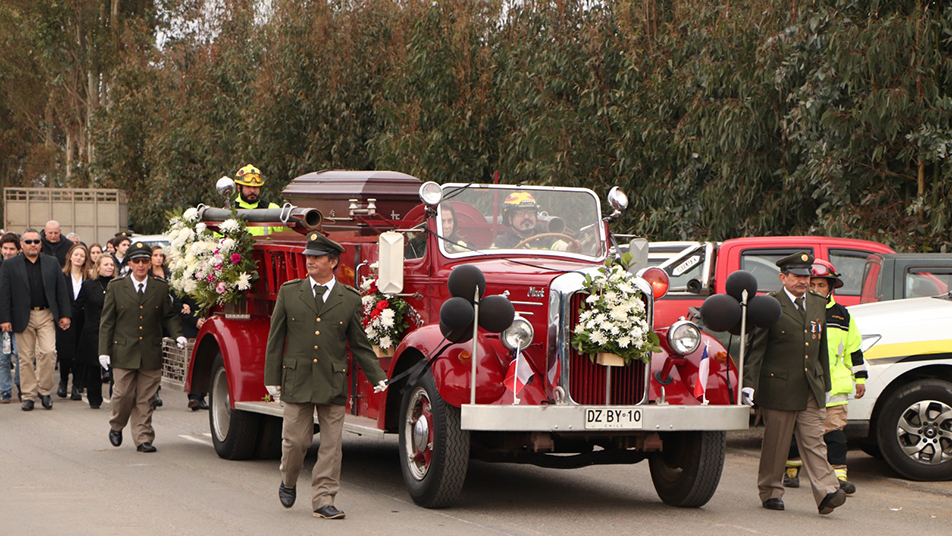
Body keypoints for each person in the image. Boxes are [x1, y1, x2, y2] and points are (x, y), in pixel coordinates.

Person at [264, 232, 388, 520]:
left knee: (331, 447)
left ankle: (323, 500)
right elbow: (275, 339)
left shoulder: (349, 299)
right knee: (295, 442)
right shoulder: (289, 292)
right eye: (308, 257)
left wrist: (376, 375)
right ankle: (289, 480)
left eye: (317, 257)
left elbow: (358, 343)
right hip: (297, 379)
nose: (310, 261)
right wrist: (272, 378)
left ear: (333, 262)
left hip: (332, 380)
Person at [742, 252, 847, 515]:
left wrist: (825, 382)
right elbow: (757, 349)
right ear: (783, 277)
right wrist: (749, 384)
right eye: (798, 276)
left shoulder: (817, 302)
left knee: (814, 440)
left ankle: (827, 492)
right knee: (776, 444)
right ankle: (770, 490)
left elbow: (820, 345)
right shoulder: (770, 304)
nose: (803, 281)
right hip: (779, 385)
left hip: (810, 384)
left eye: (806, 276)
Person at [784, 259, 868, 494]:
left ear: (830, 287)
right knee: (796, 431)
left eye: (822, 285)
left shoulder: (842, 315)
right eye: (813, 285)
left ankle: (838, 476)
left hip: (835, 387)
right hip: (804, 382)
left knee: (834, 434)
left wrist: (859, 379)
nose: (817, 289)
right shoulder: (798, 311)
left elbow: (853, 348)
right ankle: (791, 471)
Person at [99, 241, 185, 452]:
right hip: (124, 350)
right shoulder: (117, 287)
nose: (140, 265)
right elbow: (107, 321)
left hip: (150, 350)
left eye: (145, 261)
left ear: (149, 264)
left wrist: (178, 335)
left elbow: (169, 315)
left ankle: (143, 438)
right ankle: (117, 425)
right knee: (123, 395)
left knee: (145, 398)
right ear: (129, 263)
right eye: (136, 261)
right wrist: (103, 351)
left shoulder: (160, 287)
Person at [0, 229, 71, 411]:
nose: (33, 245)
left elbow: (61, 290)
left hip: (47, 314)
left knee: (48, 352)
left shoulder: (51, 262)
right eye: (29, 242)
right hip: (22, 316)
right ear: (21, 245)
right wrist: (5, 318)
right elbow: (4, 293)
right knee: (25, 358)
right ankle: (29, 395)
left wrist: (64, 315)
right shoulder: (10, 265)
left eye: (36, 242)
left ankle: (45, 391)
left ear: (41, 244)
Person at [77, 255, 115, 409]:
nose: (110, 267)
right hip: (93, 329)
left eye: (112, 264)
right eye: (106, 264)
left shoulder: (118, 285)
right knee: (94, 366)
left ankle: (116, 397)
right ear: (98, 267)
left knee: (114, 366)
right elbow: (78, 305)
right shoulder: (88, 285)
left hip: (113, 330)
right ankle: (94, 398)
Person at [56, 243, 90, 400]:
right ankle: (63, 381)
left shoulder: (89, 278)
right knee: (66, 352)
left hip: (83, 319)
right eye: (76, 254)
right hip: (65, 319)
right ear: (70, 256)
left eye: (82, 256)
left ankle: (77, 385)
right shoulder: (62, 276)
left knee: (81, 352)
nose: (79, 258)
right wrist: (65, 315)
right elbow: (59, 298)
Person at [491, 191, 578, 251]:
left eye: (531, 212)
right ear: (509, 218)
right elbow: (493, 263)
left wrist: (572, 247)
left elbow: (564, 248)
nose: (526, 216)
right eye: (520, 213)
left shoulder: (546, 239)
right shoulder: (501, 242)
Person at [0, 232, 22, 403]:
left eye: (11, 249)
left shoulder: (21, 268)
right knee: (3, 357)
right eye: (5, 248)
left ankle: (22, 388)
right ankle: (5, 391)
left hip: (17, 320)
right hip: (2, 323)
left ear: (18, 250)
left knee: (21, 356)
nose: (8, 252)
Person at [233, 164, 283, 235]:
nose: (252, 191)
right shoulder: (228, 211)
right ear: (239, 188)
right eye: (248, 187)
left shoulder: (272, 209)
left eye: (256, 187)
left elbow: (283, 235)